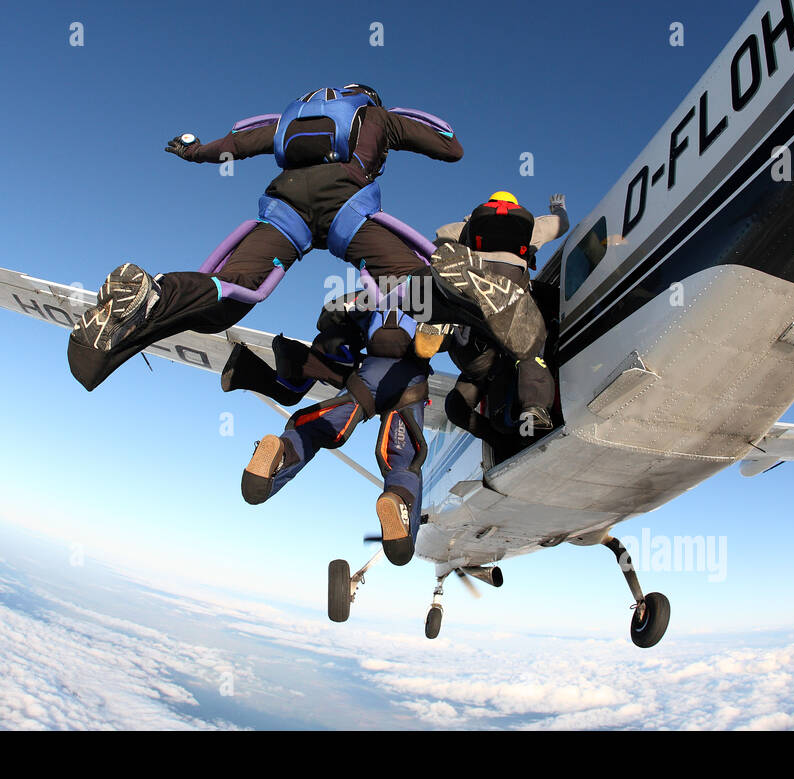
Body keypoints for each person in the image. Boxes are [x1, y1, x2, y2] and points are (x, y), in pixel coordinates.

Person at [66, 85, 543, 393]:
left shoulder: (291, 117)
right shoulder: (376, 116)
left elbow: (236, 143)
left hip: (286, 206)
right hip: (347, 207)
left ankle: (154, 294)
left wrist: (195, 152)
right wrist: (400, 122)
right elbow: (451, 148)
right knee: (407, 288)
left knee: (237, 289)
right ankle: (456, 280)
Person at [230, 291, 430, 566]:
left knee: (314, 430)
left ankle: (282, 453)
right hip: (408, 382)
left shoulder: (371, 296)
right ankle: (399, 501)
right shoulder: (428, 296)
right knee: (403, 460)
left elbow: (329, 317)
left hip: (367, 378)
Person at [434, 192, 568, 435]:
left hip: (476, 312)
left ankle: (494, 437)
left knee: (457, 403)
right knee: (529, 352)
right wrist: (558, 208)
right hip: (512, 300)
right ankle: (534, 408)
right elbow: (562, 225)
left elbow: (439, 238)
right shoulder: (530, 227)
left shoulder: (464, 227)